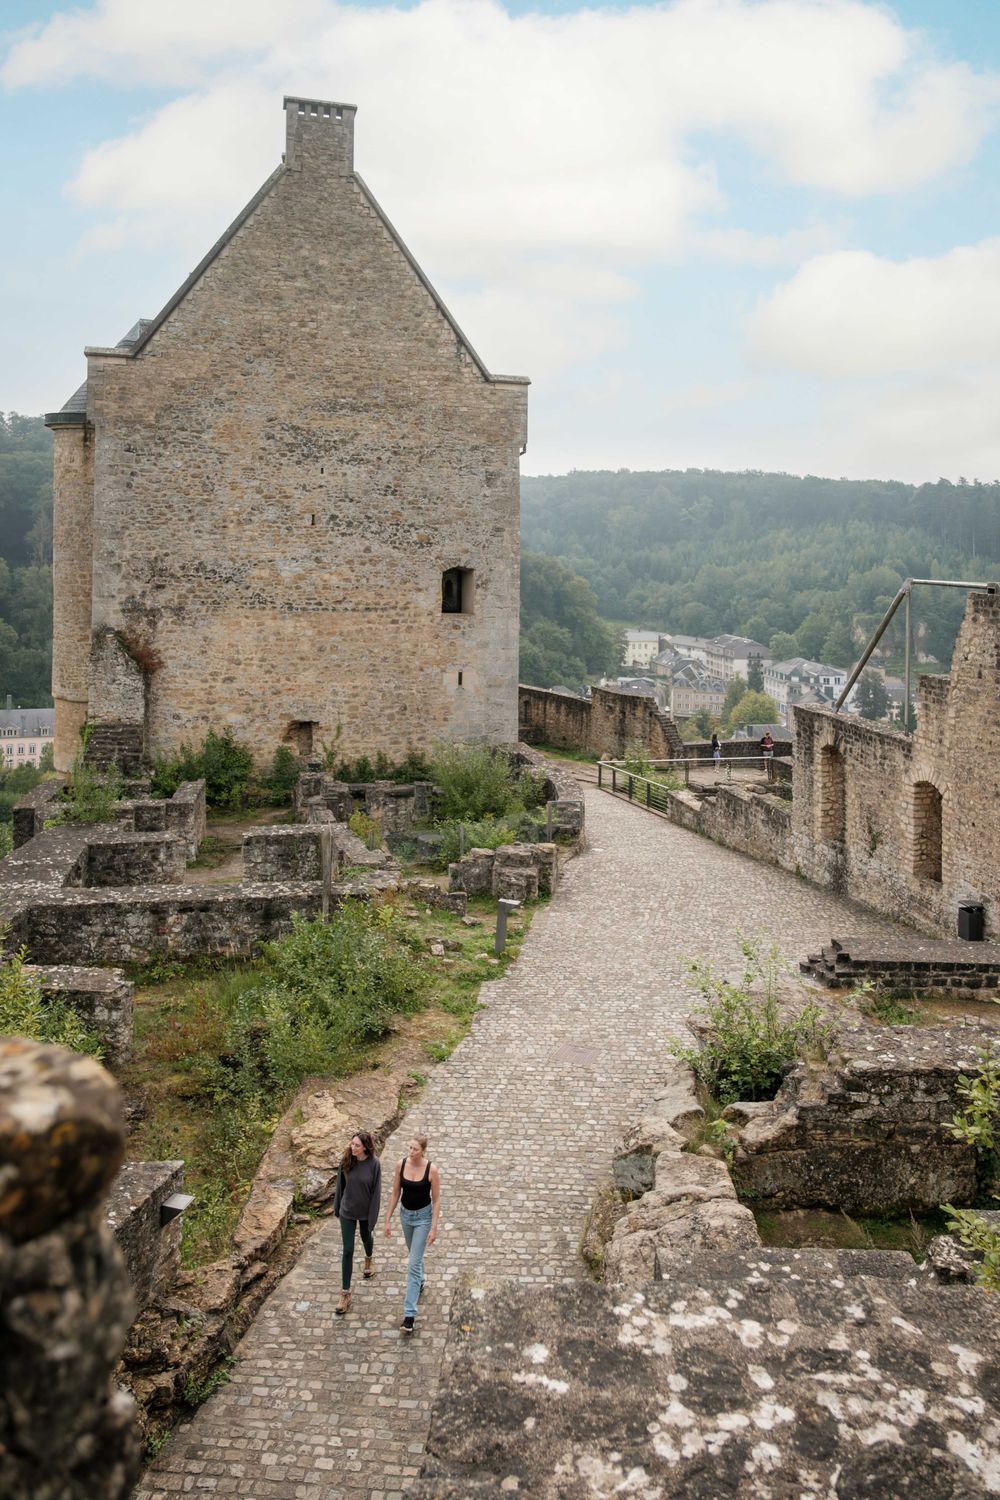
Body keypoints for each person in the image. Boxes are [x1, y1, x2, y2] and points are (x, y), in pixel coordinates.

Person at [384, 1132, 441, 1335]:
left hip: (423, 1218)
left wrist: (434, 1227)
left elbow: (436, 1201)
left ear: (423, 1151)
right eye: (409, 1148)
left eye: (415, 1149)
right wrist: (388, 1218)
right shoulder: (401, 1164)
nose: (411, 1152)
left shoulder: (431, 1170)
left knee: (413, 1264)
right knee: (414, 1256)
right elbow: (395, 1193)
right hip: (406, 1216)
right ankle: (421, 1280)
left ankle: (409, 1315)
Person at [332, 1129, 381, 1316]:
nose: (353, 1148)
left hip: (365, 1211)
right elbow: (340, 1186)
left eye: (357, 1145)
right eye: (352, 1144)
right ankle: (345, 1294)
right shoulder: (346, 1161)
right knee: (348, 1250)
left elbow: (376, 1193)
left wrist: (373, 1217)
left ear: (365, 1147)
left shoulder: (374, 1164)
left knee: (366, 1236)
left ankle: (369, 1259)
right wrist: (337, 1209)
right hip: (347, 1211)